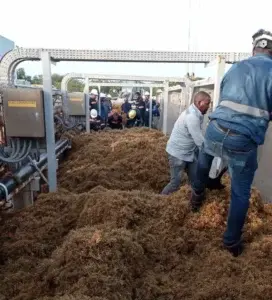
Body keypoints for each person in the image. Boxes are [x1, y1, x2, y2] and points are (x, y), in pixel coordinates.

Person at [190, 29, 272, 257]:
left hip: (216, 128)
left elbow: (225, 96)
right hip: (243, 139)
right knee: (240, 193)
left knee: (205, 157)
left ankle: (197, 194)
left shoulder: (236, 67)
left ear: (253, 49)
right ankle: (231, 242)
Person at [161, 91, 226, 195]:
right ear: (200, 103)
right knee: (175, 183)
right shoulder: (192, 117)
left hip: (189, 152)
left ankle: (193, 200)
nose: (209, 107)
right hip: (177, 153)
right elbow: (200, 141)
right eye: (207, 103)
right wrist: (216, 153)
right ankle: (160, 200)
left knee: (196, 179)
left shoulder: (197, 113)